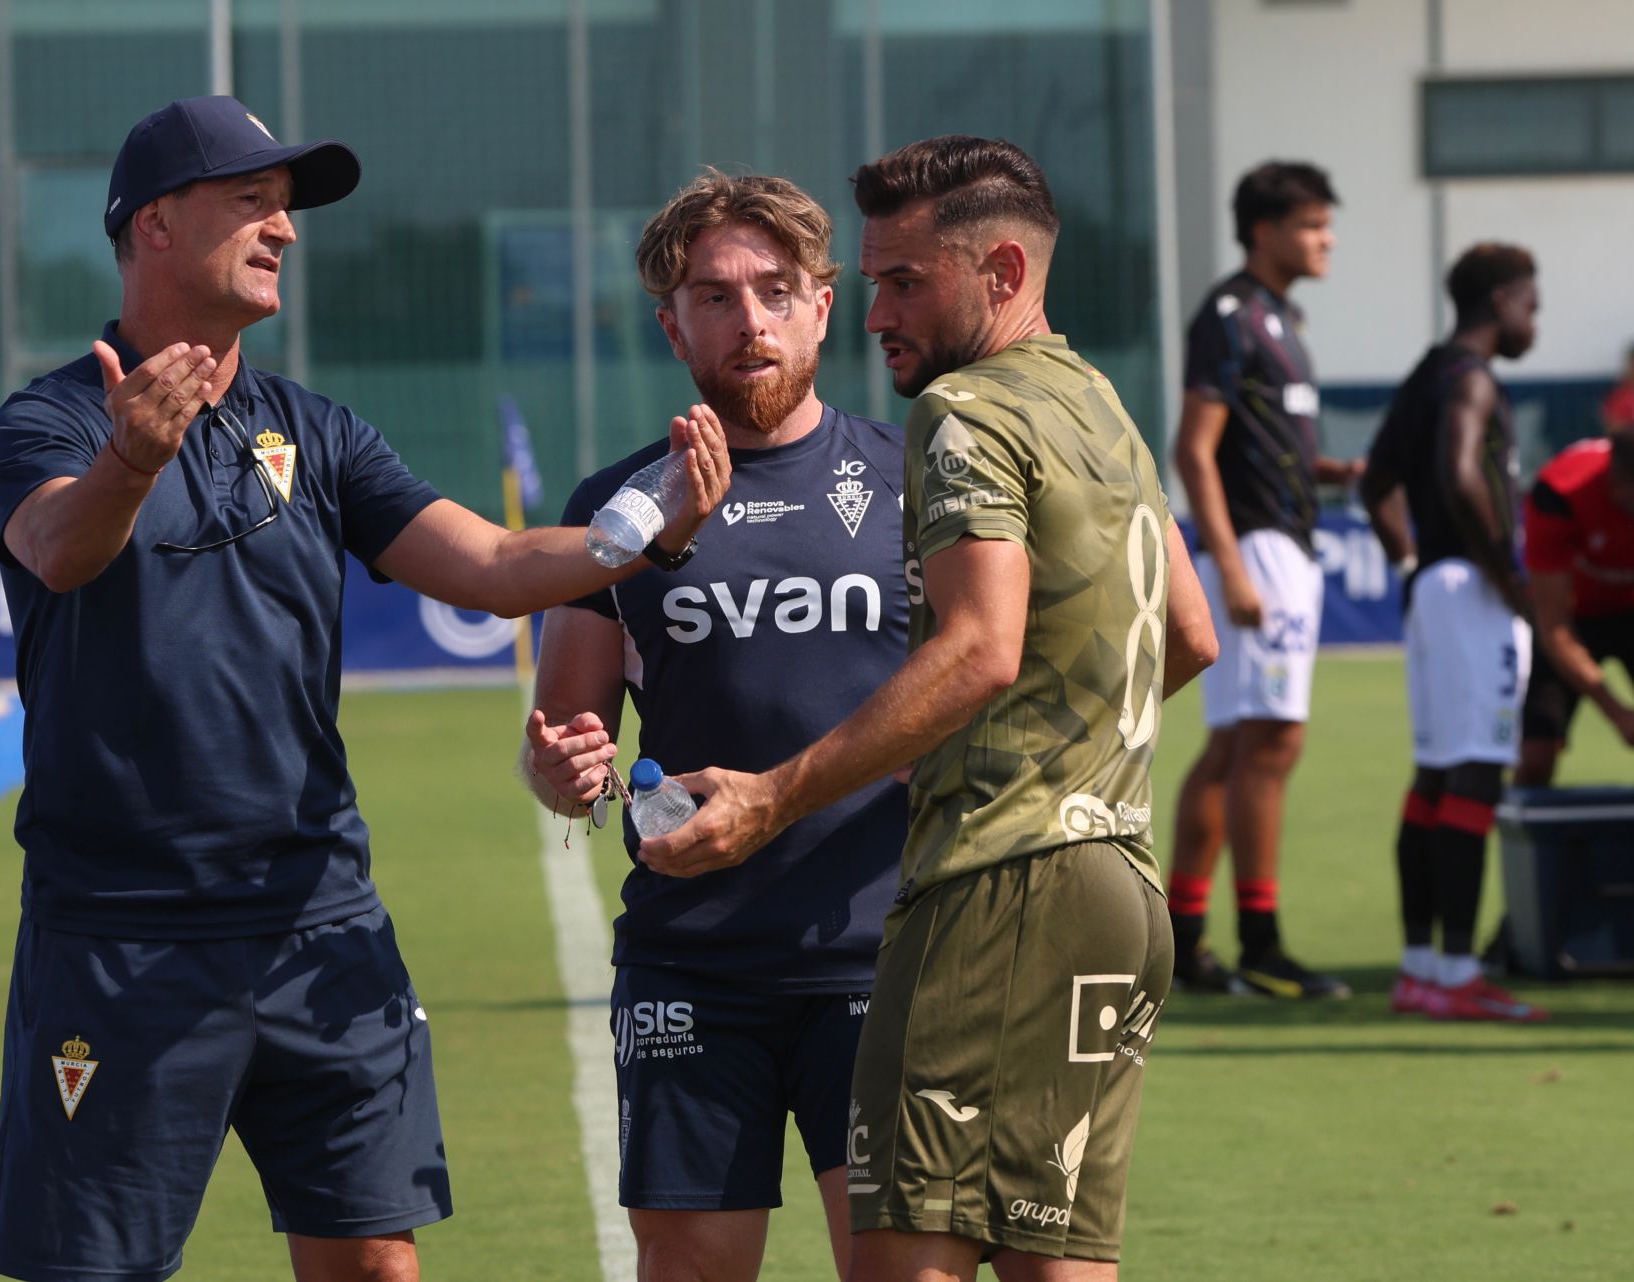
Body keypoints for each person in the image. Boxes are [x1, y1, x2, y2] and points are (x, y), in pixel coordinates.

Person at [0, 96, 732, 1282]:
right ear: (156, 224)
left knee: (378, 1261)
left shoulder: (312, 429)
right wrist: (133, 454)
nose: (284, 230)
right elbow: (62, 550)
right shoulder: (54, 418)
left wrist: (641, 532)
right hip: (125, 933)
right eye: (252, 202)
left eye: (288, 210)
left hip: (319, 923)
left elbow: (486, 567)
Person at [636, 135, 1218, 1281]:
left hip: (998, 886)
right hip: (1120, 891)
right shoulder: (1098, 399)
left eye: (905, 281)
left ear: (1000, 272)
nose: (877, 313)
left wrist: (771, 799)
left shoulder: (965, 407)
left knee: (909, 1257)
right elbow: (1187, 637)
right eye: (871, 284)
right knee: (1057, 1258)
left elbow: (977, 650)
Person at [521, 169, 909, 1282]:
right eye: (715, 296)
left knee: (898, 1267)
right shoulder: (618, 508)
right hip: (693, 960)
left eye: (776, 290)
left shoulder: (914, 482)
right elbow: (565, 752)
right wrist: (565, 767)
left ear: (824, 304)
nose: (751, 319)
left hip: (883, 953)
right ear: (670, 323)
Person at [1167, 161, 1359, 1000]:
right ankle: (1261, 943)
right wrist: (1234, 567)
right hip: (1256, 553)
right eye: (1314, 224)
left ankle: (1185, 939)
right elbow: (1193, 451)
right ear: (1266, 230)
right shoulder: (1231, 314)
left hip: (1285, 545)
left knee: (1241, 746)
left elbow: (1268, 448)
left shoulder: (1283, 317)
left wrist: (1337, 470)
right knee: (1266, 745)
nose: (1328, 239)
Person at [1360, 241, 1546, 1023]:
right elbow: (1464, 471)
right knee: (1474, 775)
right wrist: (1507, 577)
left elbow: (1376, 484)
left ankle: (1421, 969)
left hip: (1435, 585)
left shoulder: (1425, 373)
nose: (1535, 321)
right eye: (1531, 305)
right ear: (1500, 300)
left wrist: (1412, 563)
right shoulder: (1471, 378)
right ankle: (1459, 973)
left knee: (1436, 778)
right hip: (1473, 591)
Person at [1513, 423, 1634, 784]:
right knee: (1535, 759)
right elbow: (1555, 629)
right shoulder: (1558, 493)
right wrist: (1619, 715)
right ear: (1617, 480)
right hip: (1573, 616)